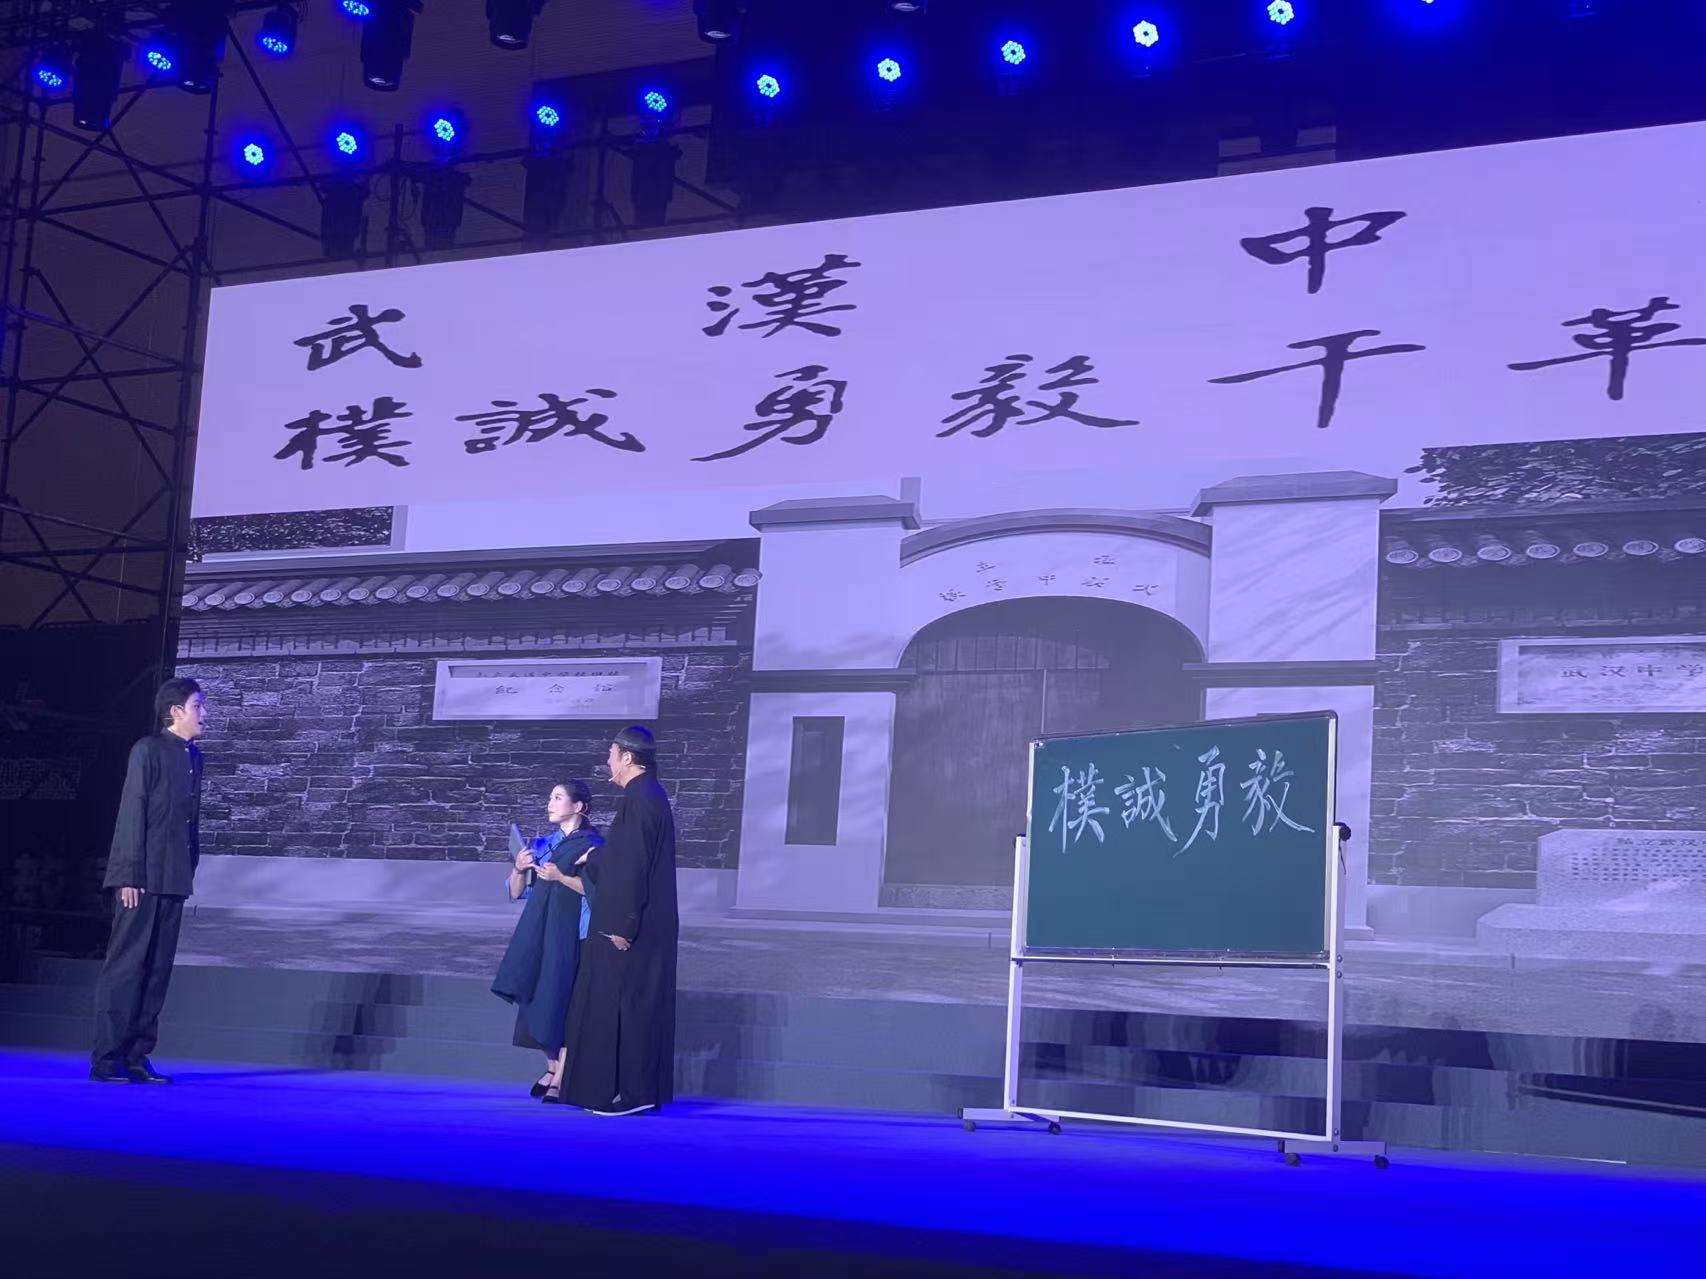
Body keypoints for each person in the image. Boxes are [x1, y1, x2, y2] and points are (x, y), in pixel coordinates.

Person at [90, 677, 206, 1084]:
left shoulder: (194, 757)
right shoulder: (148, 750)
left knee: (157, 972)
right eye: (197, 706)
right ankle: (107, 1058)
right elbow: (132, 811)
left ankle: (138, 1056)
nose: (203, 713)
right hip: (141, 879)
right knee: (125, 969)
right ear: (175, 711)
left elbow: (189, 821)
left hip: (174, 877)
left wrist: (189, 868)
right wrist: (128, 874)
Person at [560, 725, 679, 1116]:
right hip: (643, 922)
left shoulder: (641, 800)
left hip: (634, 927)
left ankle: (632, 1093)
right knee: (635, 1006)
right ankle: (636, 1091)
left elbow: (633, 867)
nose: (607, 761)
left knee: (631, 1008)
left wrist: (622, 925)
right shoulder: (647, 796)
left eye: (611, 754)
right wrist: (596, 858)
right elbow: (625, 856)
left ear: (628, 757)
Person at [490, 780, 602, 1102]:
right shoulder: (543, 845)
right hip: (542, 933)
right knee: (537, 997)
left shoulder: (595, 847)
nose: (549, 803)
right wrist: (519, 868)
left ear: (578, 806)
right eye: (550, 797)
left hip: (575, 935)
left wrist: (560, 877)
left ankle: (562, 1076)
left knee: (564, 1003)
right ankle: (552, 1067)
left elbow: (599, 892)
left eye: (557, 797)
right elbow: (516, 893)